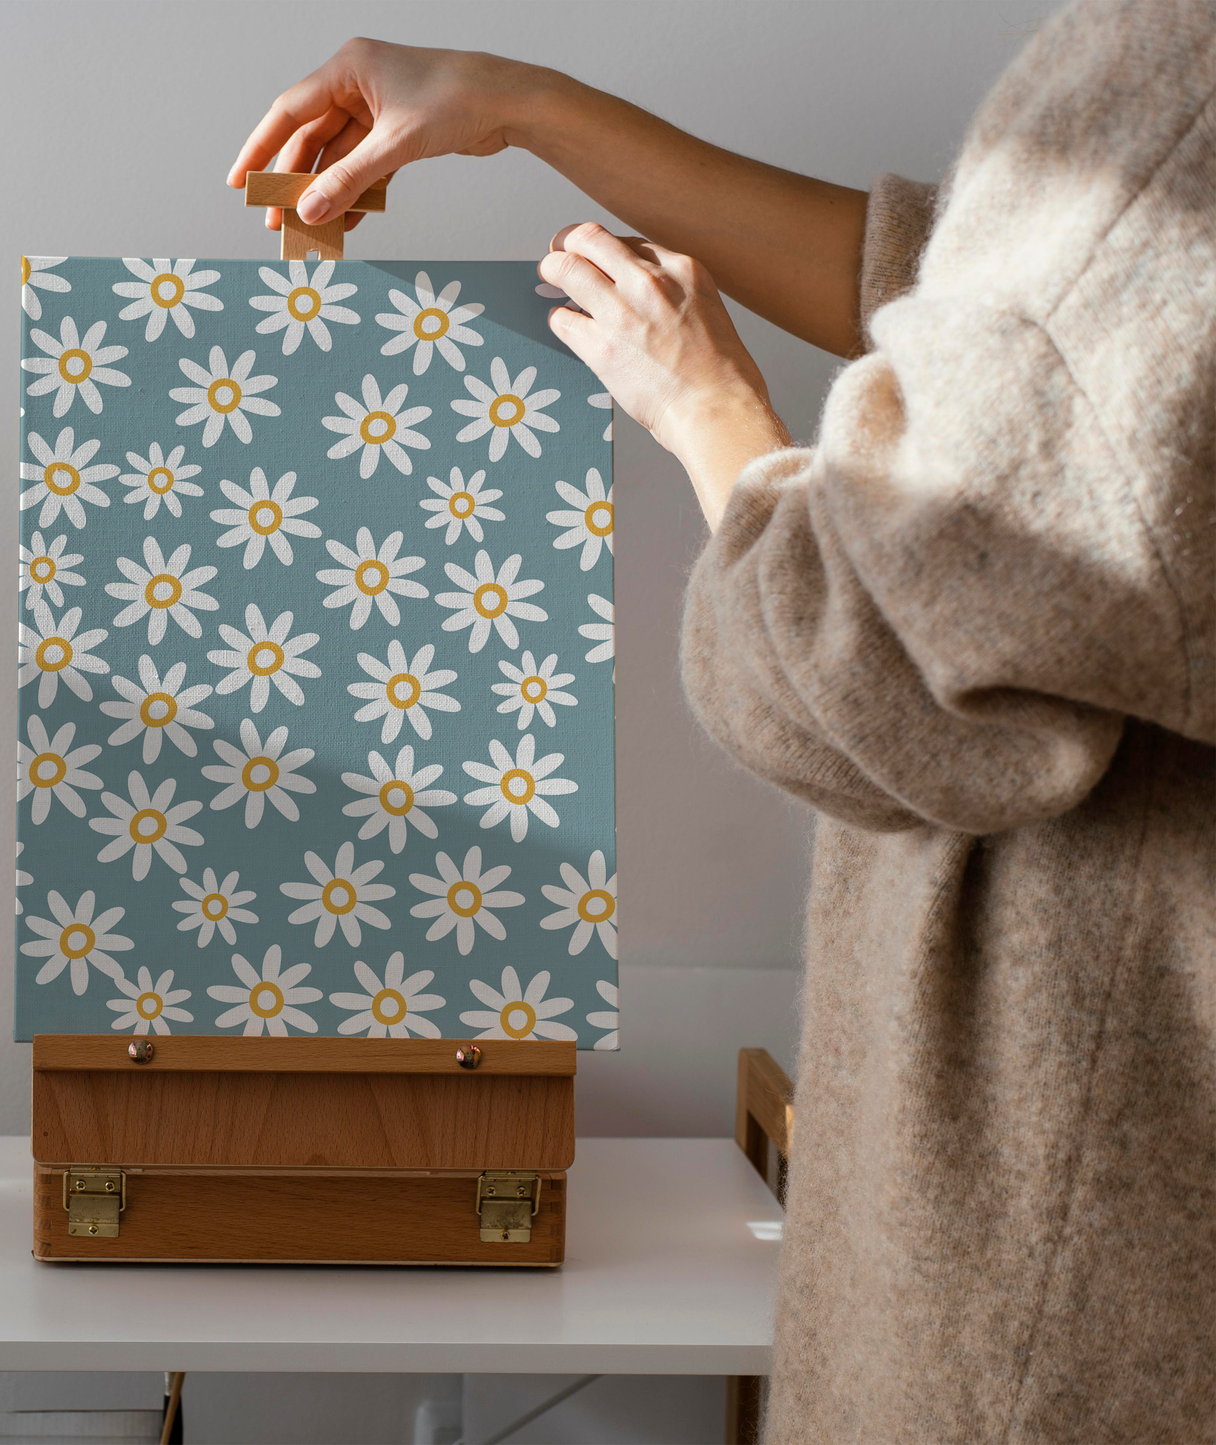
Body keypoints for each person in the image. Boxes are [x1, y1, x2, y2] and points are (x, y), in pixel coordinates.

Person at [229, 4, 1215, 1441]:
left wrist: (708, 412)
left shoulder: (1183, 55)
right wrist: (527, 107)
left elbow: (881, 660)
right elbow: (1041, 345)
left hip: (1076, 1222)